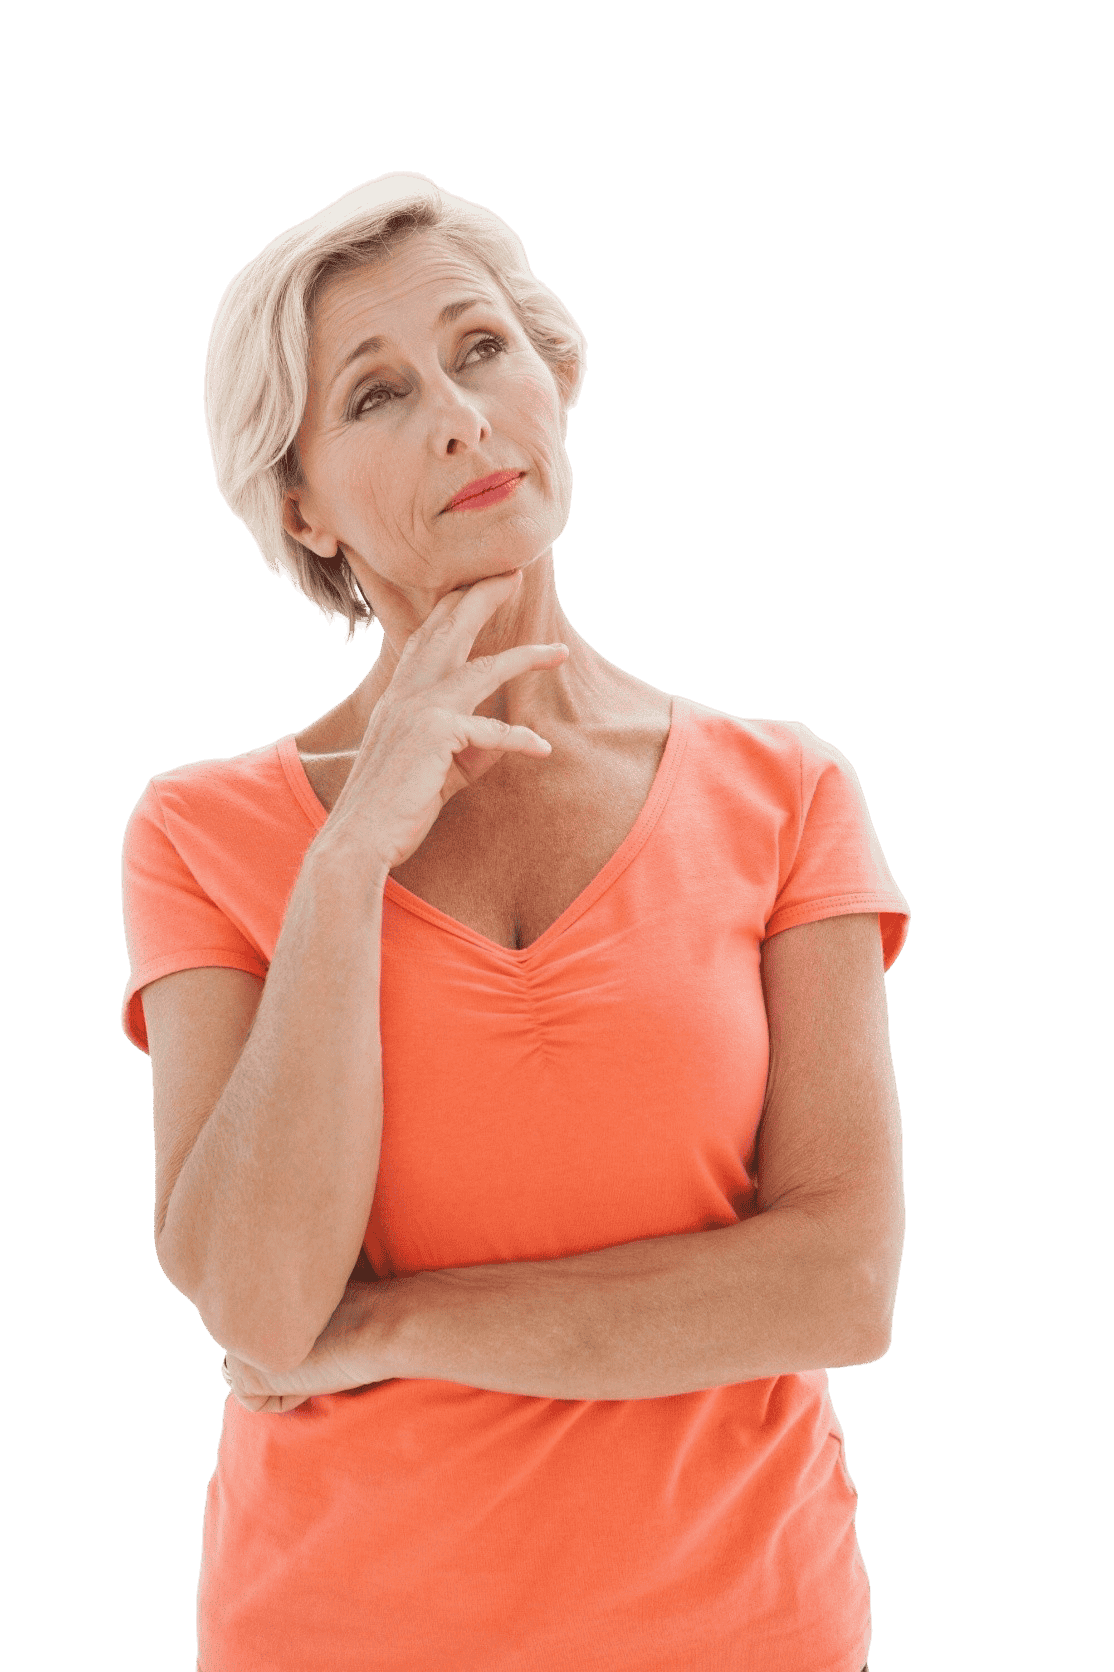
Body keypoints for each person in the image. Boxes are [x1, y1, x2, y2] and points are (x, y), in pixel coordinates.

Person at [119, 171, 906, 1672]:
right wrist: (348, 861)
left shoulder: (787, 791)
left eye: (482, 350)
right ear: (296, 502)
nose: (460, 418)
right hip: (334, 1634)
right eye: (375, 395)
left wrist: (395, 1327)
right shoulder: (205, 832)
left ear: (554, 376)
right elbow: (262, 1300)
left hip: (745, 1630)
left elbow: (837, 1283)